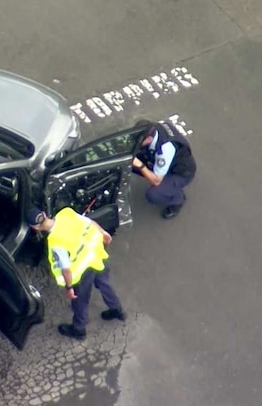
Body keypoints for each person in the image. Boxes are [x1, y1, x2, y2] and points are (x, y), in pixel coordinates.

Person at [26, 207, 124, 340]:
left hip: (83, 272)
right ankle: (117, 310)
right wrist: (103, 232)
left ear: (35, 228)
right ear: (44, 214)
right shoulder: (66, 213)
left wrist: (69, 288)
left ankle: (79, 329)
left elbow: (65, 269)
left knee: (80, 301)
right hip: (97, 256)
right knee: (104, 283)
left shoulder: (55, 241)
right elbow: (89, 223)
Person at [132, 120, 197, 219]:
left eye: (140, 141)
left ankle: (177, 198)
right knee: (130, 160)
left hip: (180, 173)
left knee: (153, 194)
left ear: (149, 139)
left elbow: (156, 180)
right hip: (166, 161)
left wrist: (140, 165)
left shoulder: (165, 150)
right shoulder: (152, 128)